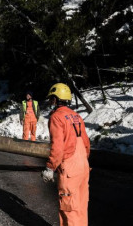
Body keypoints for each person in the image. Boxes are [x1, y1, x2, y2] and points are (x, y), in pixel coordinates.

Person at [41, 83, 91, 226]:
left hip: (69, 168)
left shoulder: (56, 117)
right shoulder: (77, 116)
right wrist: (83, 161)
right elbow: (86, 144)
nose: (50, 102)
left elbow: (58, 147)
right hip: (83, 166)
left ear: (56, 99)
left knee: (69, 209)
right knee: (81, 207)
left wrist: (50, 168)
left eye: (52, 99)